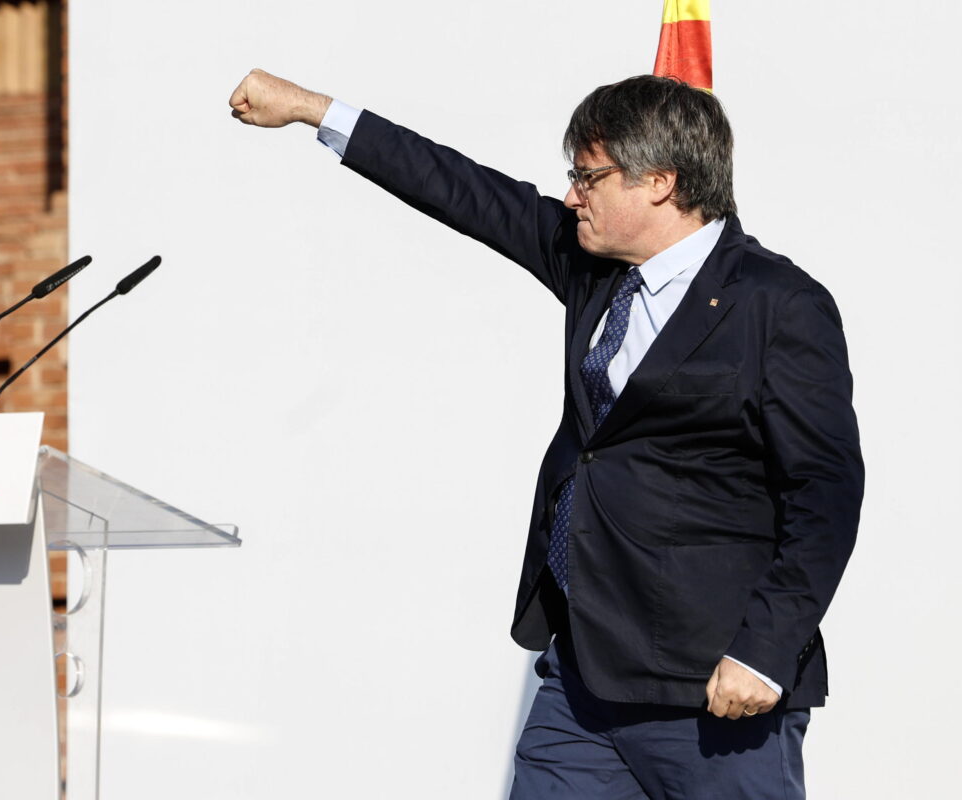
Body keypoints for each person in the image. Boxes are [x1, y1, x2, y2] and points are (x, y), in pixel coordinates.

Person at [229, 68, 863, 799]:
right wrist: (314, 111)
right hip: (583, 679)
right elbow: (464, 190)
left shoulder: (777, 305)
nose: (571, 196)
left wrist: (764, 651)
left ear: (660, 182)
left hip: (709, 688)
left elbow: (825, 494)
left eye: (588, 177)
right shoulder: (595, 268)